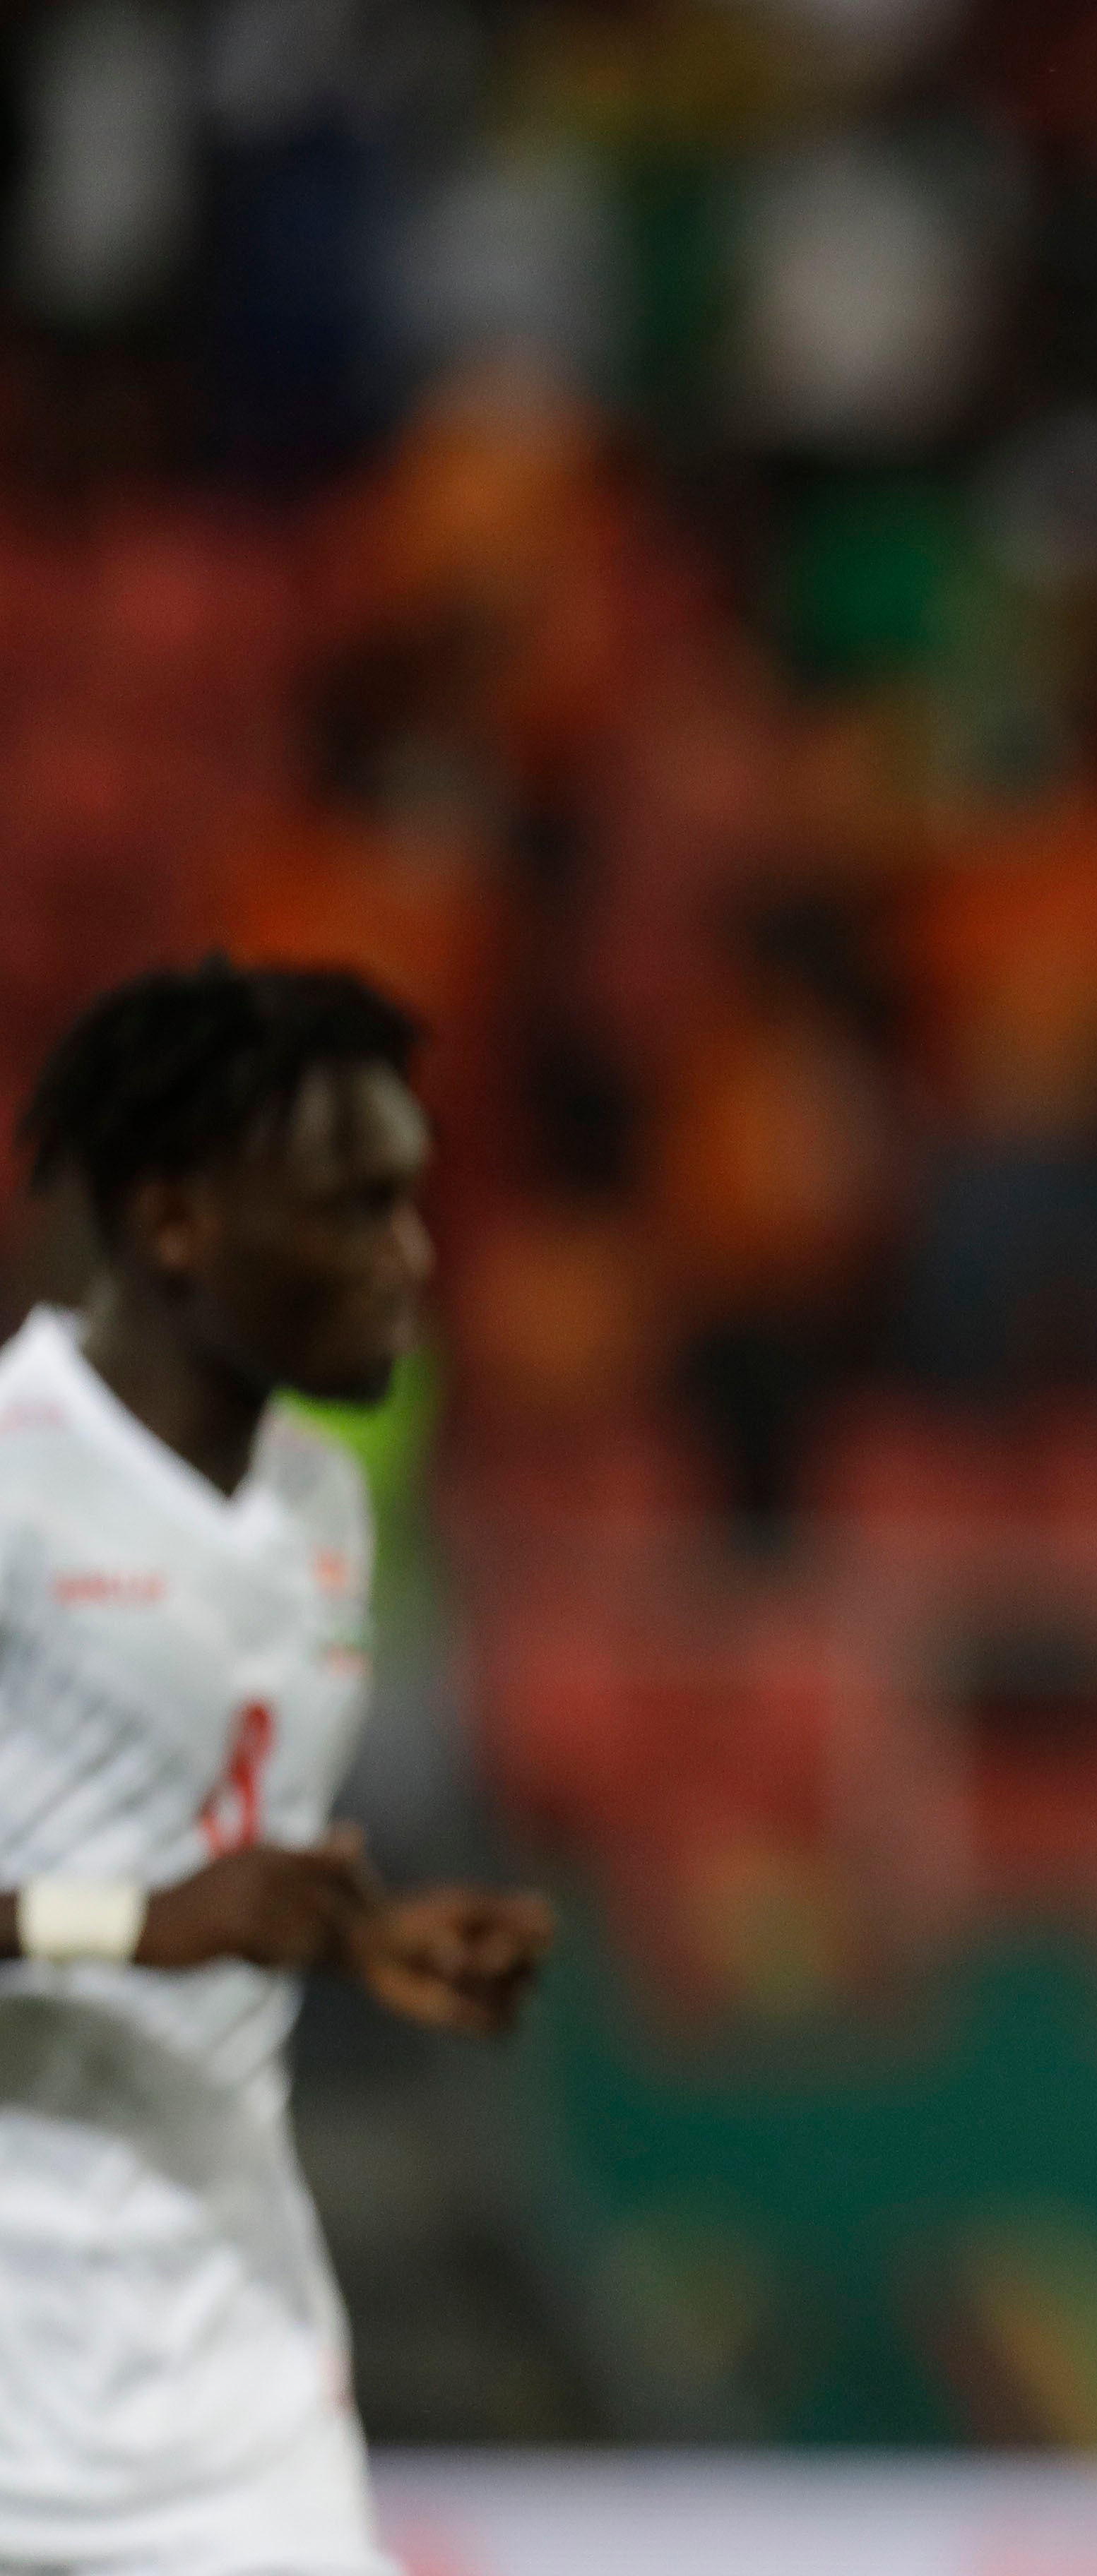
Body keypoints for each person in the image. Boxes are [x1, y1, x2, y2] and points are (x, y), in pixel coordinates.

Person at [0, 960, 552, 2576]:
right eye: (353, 1209)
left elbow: (209, 1855)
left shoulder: (322, 1501)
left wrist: (358, 1936)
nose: (414, 1261)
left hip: (229, 2390)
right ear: (174, 1224)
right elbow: (153, 1903)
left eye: (413, 1202)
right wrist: (129, 1925)